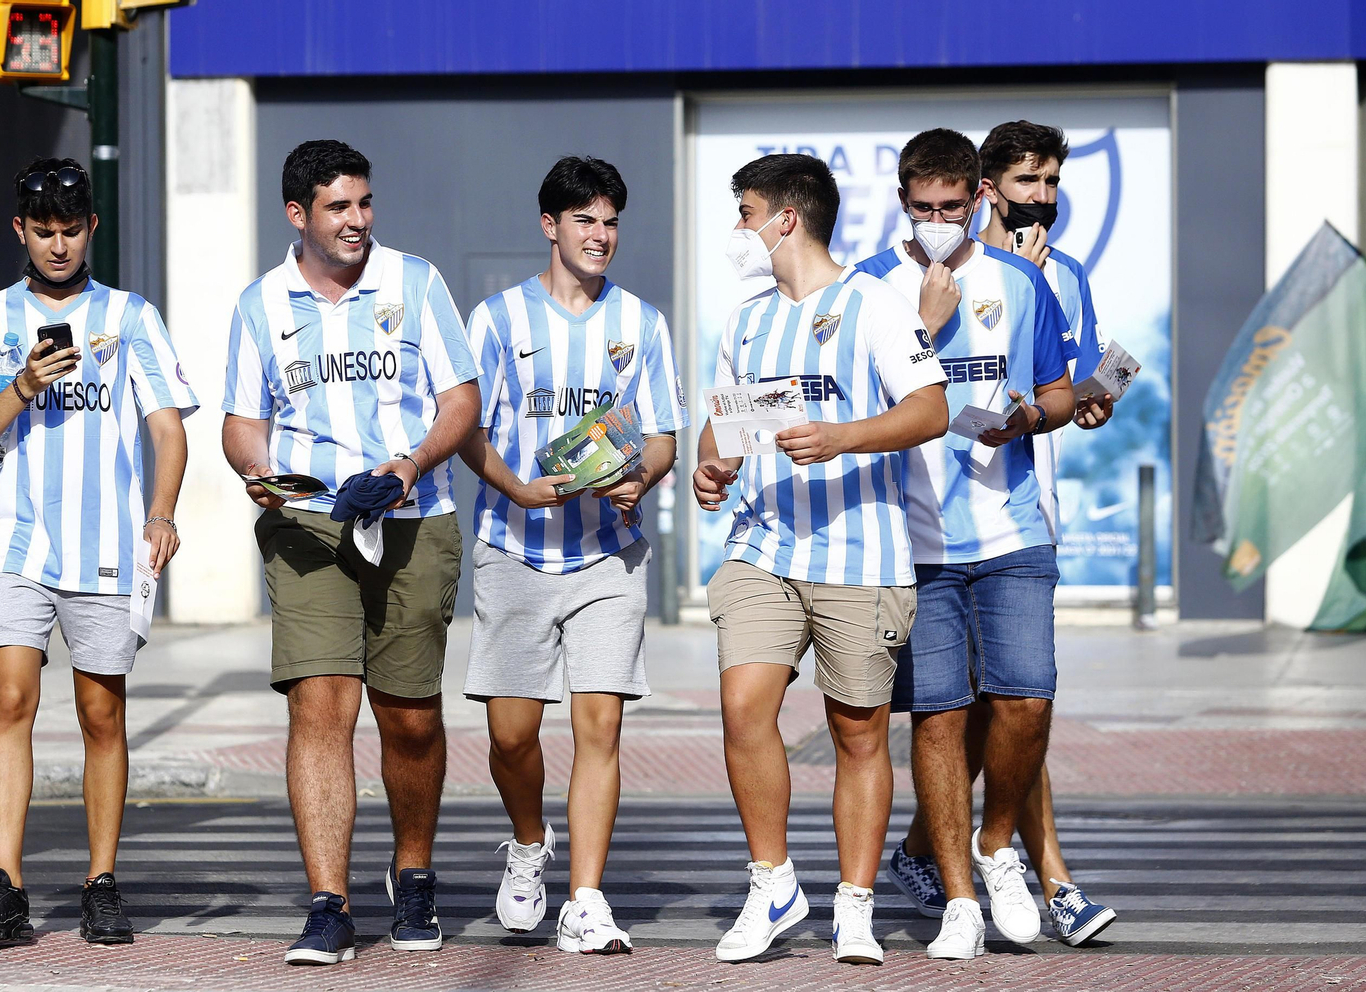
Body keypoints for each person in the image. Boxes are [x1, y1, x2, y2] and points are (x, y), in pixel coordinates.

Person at [220, 139, 480, 966]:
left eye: (364, 203)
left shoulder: (416, 281)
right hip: (309, 527)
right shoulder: (259, 304)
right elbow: (240, 421)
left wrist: (407, 466)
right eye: (339, 207)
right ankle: (329, 903)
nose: (358, 220)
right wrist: (257, 471)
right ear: (298, 215)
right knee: (320, 707)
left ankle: (413, 876)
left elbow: (460, 400)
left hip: (410, 518)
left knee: (408, 716)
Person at [692, 154, 948, 965]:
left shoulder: (873, 303)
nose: (738, 229)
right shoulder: (747, 320)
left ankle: (856, 903)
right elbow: (726, 426)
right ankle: (771, 882)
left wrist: (841, 436)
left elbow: (930, 409)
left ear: (786, 220)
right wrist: (710, 464)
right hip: (763, 549)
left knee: (859, 733)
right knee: (743, 710)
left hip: (862, 557)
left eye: (745, 212)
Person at [0, 157, 195, 946]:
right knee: (11, 698)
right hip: (16, 541)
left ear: (91, 229)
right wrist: (18, 388)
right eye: (43, 231)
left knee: (100, 712)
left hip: (109, 550)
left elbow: (167, 426)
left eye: (71, 230)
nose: (58, 246)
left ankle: (101, 883)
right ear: (20, 230)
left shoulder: (130, 316)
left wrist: (161, 513)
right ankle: (7, 885)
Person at [879, 121, 1119, 949]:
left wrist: (1029, 416)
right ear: (902, 203)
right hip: (915, 541)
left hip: (1013, 526)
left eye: (952, 204)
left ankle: (998, 846)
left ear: (973, 197)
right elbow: (854, 406)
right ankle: (959, 901)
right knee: (939, 719)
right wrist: (918, 315)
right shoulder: (874, 284)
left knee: (1026, 701)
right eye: (923, 207)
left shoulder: (1023, 280)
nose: (938, 220)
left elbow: (1060, 390)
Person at [460, 156, 688, 955]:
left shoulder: (643, 323)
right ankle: (530, 844)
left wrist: (640, 480)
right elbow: (466, 428)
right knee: (512, 736)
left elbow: (661, 434)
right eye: (585, 219)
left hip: (608, 559)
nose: (601, 235)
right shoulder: (494, 321)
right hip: (514, 550)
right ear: (550, 225)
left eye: (611, 221)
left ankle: (587, 898)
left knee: (600, 724)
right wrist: (518, 489)